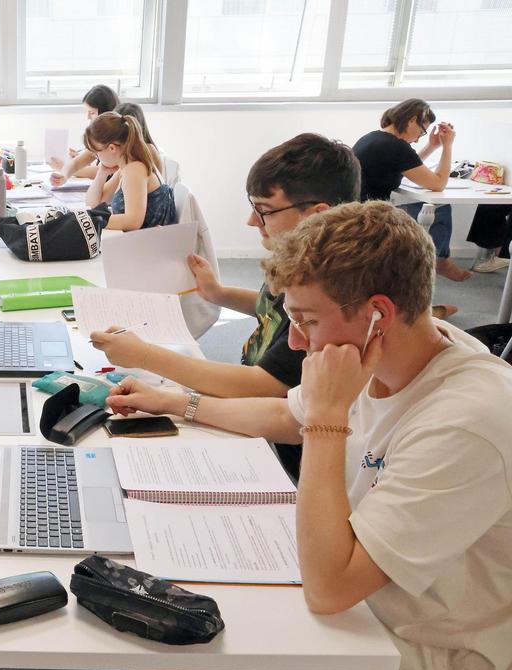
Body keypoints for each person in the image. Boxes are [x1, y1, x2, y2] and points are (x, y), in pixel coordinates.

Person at [102, 201, 512, 670]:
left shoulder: (465, 420)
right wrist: (176, 402)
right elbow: (283, 413)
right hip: (360, 596)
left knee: (175, 653)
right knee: (168, 616)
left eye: (307, 321)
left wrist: (327, 419)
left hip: (420, 646)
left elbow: (330, 589)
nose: (296, 342)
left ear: (379, 315)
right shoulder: (394, 350)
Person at [91, 133, 360, 479]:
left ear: (317, 214)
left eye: (264, 211)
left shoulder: (329, 290)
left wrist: (144, 356)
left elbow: (264, 386)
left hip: (286, 453)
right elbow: (272, 309)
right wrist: (220, 294)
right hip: (264, 420)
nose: (251, 221)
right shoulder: (301, 263)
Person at [352, 98, 471, 282]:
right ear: (412, 120)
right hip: (372, 216)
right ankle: (439, 262)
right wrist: (448, 146)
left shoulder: (374, 137)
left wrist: (432, 146)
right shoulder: (396, 147)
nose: (417, 139)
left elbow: (407, 166)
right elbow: (438, 183)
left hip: (356, 210)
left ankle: (438, 261)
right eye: (422, 132)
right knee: (439, 208)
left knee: (433, 208)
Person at [82, 112, 177, 230]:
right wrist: (102, 172)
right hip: (137, 240)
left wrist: (91, 220)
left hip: (144, 243)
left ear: (112, 148)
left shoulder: (134, 169)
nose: (97, 157)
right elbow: (94, 204)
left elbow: (133, 221)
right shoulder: (126, 167)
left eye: (97, 153)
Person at [49, 84, 120, 184]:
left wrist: (62, 167)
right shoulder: (100, 135)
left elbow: (99, 171)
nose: (88, 117)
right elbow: (76, 163)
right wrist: (64, 175)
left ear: (105, 112)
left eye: (91, 113)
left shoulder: (118, 137)